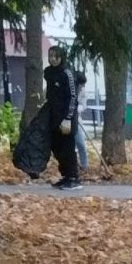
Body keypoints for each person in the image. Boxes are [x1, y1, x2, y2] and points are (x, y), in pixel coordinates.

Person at [44, 45, 82, 188]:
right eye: (50, 56)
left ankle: (73, 177)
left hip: (66, 119)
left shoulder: (67, 73)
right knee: (57, 147)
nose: (52, 59)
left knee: (67, 148)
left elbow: (72, 97)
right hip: (54, 117)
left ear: (61, 57)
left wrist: (68, 119)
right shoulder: (49, 73)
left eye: (56, 56)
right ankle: (65, 175)